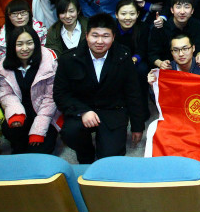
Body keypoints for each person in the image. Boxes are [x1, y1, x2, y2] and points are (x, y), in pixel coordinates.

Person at [54, 13, 145, 163]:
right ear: (86, 35)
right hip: (83, 109)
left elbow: (133, 92)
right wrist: (83, 111)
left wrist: (137, 126)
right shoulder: (68, 59)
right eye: (95, 36)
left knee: (110, 159)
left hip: (112, 110)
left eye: (106, 36)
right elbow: (60, 94)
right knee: (70, 133)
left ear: (113, 37)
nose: (100, 41)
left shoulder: (123, 56)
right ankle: (86, 152)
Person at [0, 25, 60, 154]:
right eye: (19, 44)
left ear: (36, 43)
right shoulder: (4, 65)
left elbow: (51, 98)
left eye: (29, 43)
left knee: (39, 150)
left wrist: (38, 130)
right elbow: (6, 93)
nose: (25, 48)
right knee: (14, 138)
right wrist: (16, 114)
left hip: (44, 112)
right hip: (21, 110)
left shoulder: (49, 63)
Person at [148, 0, 200, 70]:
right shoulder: (161, 27)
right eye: (178, 7)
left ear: (192, 11)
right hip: (168, 67)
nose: (182, 12)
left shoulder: (196, 25)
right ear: (172, 10)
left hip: (191, 67)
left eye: (186, 7)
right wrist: (160, 63)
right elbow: (152, 54)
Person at [0, 0, 47, 64]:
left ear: (29, 13)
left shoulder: (41, 30)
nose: (19, 17)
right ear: (8, 16)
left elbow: (46, 55)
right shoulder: (1, 39)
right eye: (14, 14)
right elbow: (2, 62)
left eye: (23, 13)